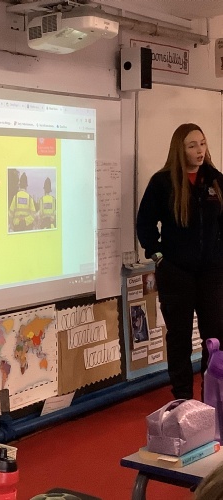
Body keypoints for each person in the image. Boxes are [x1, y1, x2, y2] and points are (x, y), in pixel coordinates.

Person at [136, 123, 223, 400]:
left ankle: (211, 394)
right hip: (176, 273)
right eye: (192, 145)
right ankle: (183, 398)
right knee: (179, 337)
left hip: (211, 273)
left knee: (216, 336)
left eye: (203, 143)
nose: (200, 150)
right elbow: (145, 224)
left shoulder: (215, 181)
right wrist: (158, 256)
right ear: (180, 149)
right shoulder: (162, 183)